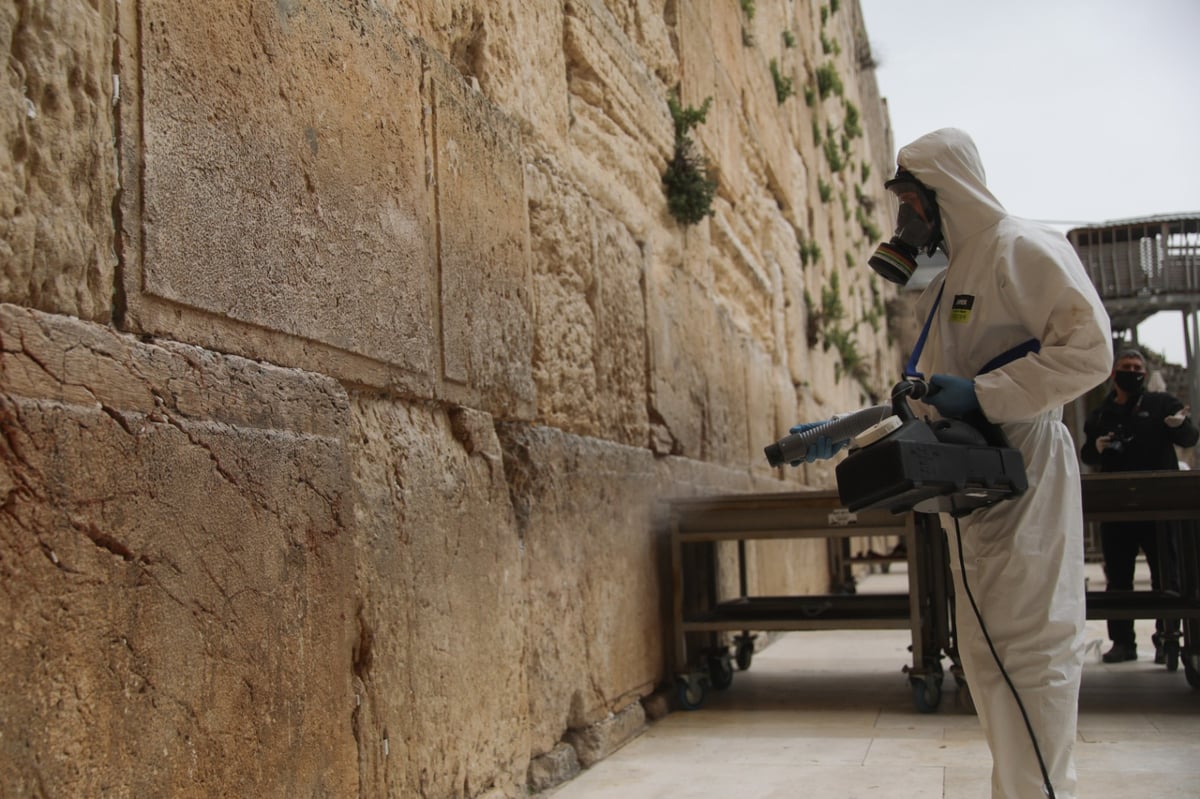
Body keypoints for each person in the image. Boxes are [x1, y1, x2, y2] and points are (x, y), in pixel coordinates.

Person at [793, 128, 1112, 799]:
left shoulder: (1020, 247)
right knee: (989, 661)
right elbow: (937, 400)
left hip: (1022, 467)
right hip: (975, 492)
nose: (906, 220)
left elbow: (1089, 352)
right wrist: (846, 431)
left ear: (945, 192)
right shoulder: (959, 276)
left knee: (1031, 656)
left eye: (912, 201)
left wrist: (988, 394)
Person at [1080, 349, 1198, 663]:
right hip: (1116, 506)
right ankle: (1123, 642)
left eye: (1137, 367)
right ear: (1113, 374)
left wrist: (1177, 426)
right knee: (1118, 577)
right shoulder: (1102, 414)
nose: (1132, 372)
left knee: (1167, 575)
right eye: (1126, 367)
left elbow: (1189, 437)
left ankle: (1167, 638)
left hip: (1160, 504)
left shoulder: (1162, 404)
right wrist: (1097, 446)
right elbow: (1087, 455)